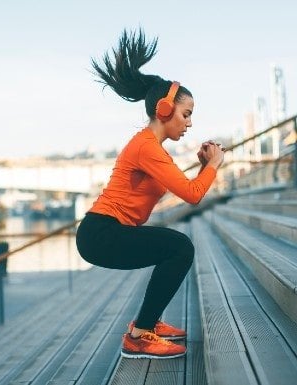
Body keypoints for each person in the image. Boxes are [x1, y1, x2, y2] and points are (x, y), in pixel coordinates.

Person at [75, 29, 224, 360]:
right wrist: (213, 165)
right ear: (164, 110)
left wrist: (203, 169)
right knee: (179, 247)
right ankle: (139, 336)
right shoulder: (146, 147)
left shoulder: (153, 149)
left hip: (107, 231)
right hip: (101, 233)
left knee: (173, 248)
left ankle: (146, 325)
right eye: (186, 114)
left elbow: (188, 188)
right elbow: (192, 195)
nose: (189, 124)